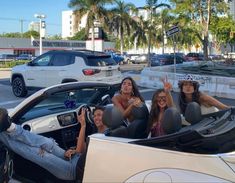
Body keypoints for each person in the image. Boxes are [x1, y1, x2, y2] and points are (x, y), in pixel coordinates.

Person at [0, 106, 107, 181]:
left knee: (38, 152)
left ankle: (2, 135)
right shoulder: (96, 132)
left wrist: (83, 125)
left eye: (99, 115)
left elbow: (84, 153)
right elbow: (82, 151)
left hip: (73, 171)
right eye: (94, 115)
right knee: (47, 142)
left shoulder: (108, 138)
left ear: (108, 117)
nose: (96, 118)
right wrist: (74, 150)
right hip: (74, 157)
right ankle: (10, 127)